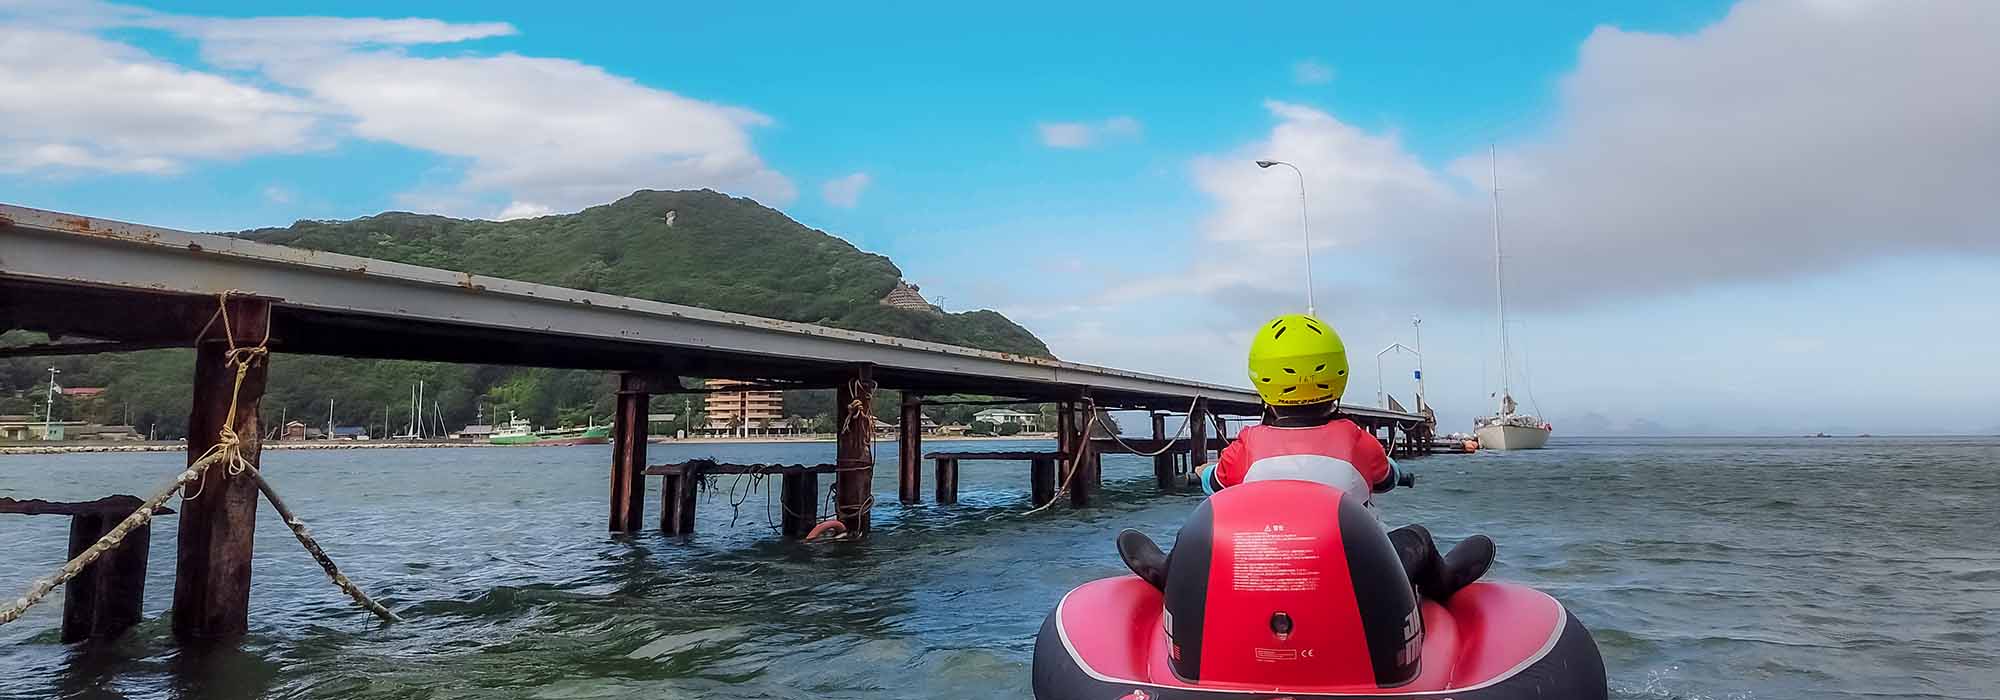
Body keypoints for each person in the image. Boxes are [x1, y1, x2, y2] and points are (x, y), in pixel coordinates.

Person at [1194, 313, 1493, 602]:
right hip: (1355, 576)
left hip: (1266, 571)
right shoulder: (1355, 439)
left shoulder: (1248, 444)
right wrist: (1399, 474)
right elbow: (1385, 478)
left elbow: (1217, 481)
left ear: (1262, 384)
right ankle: (1441, 586)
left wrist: (1203, 472)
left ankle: (1165, 572)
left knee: (1202, 535)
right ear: (1339, 376)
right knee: (1417, 537)